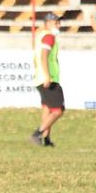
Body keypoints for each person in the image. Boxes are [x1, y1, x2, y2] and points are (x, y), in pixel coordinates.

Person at [31, 13, 64, 147]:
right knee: (58, 110)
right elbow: (44, 56)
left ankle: (46, 139)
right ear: (48, 23)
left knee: (47, 108)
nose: (58, 25)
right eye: (56, 23)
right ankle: (38, 133)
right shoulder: (49, 37)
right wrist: (47, 76)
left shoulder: (41, 36)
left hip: (39, 77)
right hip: (48, 78)